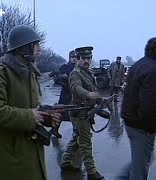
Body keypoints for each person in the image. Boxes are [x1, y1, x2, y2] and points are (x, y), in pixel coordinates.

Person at [0, 25, 61, 180]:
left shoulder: (30, 74)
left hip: (31, 152)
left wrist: (45, 117)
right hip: (11, 158)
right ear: (25, 48)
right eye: (36, 44)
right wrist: (31, 117)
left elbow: (29, 109)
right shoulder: (0, 74)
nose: (39, 49)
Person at [120, 36, 156, 180]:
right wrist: (152, 127)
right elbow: (148, 108)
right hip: (141, 126)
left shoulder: (140, 64)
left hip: (132, 121)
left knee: (142, 160)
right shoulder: (154, 71)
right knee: (140, 170)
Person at [60, 46, 106, 180]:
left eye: (89, 58)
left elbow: (94, 89)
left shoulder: (89, 72)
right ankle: (92, 172)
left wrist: (102, 100)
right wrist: (89, 94)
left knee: (76, 139)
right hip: (79, 112)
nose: (86, 61)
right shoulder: (75, 73)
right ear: (78, 59)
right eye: (83, 58)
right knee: (85, 141)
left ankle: (65, 162)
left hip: (87, 111)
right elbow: (76, 88)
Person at [49, 50, 78, 138]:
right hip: (66, 94)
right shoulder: (65, 67)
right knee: (62, 112)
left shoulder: (77, 68)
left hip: (74, 94)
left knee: (75, 112)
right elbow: (57, 79)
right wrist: (62, 77)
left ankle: (76, 132)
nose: (74, 59)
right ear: (69, 58)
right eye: (72, 57)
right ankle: (54, 129)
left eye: (75, 57)